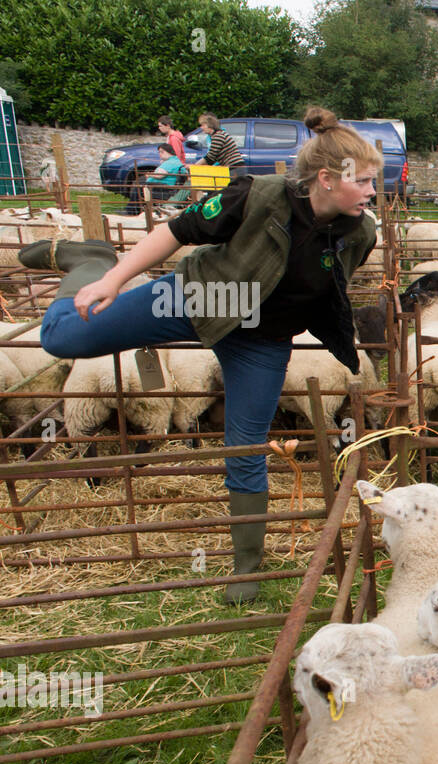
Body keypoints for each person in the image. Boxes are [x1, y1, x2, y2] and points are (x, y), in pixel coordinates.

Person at [20, 107, 379, 604]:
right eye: (362, 181)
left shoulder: (359, 233)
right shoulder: (257, 196)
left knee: (246, 446)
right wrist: (113, 280)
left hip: (262, 340)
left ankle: (246, 567)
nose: (371, 191)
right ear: (325, 178)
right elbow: (177, 231)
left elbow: (328, 287)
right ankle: (89, 261)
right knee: (62, 340)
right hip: (198, 301)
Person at [122, 144, 187, 214]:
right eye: (159, 152)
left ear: (169, 152)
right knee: (140, 184)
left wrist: (149, 175)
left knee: (138, 187)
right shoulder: (174, 161)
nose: (160, 154)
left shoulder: (171, 162)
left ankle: (131, 211)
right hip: (165, 187)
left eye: (162, 152)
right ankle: (133, 210)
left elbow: (160, 175)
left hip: (163, 189)